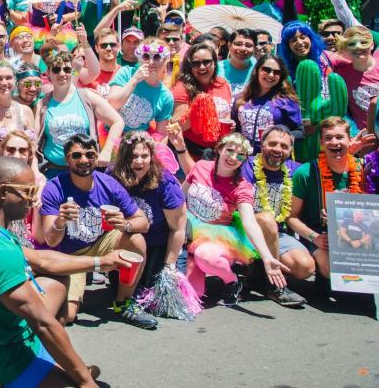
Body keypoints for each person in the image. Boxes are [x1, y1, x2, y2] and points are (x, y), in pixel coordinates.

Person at [0, 156, 107, 388]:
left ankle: (61, 368)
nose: (33, 199)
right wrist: (86, 382)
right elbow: (43, 323)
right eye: (27, 192)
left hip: (13, 332)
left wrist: (101, 261)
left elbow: (42, 259)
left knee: (58, 278)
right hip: (4, 353)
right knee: (76, 382)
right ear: (3, 192)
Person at [38, 134, 155, 328]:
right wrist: (60, 220)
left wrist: (124, 224)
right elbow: (51, 240)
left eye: (89, 154)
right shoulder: (54, 188)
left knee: (136, 240)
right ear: (67, 159)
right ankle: (75, 293)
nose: (84, 160)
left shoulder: (108, 184)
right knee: (65, 317)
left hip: (102, 243)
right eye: (76, 155)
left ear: (96, 157)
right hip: (70, 256)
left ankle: (123, 303)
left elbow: (143, 222)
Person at [183, 133, 288, 305]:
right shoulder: (200, 166)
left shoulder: (242, 187)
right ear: (219, 150)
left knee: (205, 256)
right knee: (193, 295)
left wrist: (267, 257)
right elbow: (179, 197)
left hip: (217, 239)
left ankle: (232, 281)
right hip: (188, 231)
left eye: (240, 155)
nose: (233, 157)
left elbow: (249, 222)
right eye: (229, 150)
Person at [237, 126, 313, 306]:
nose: (278, 149)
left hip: (276, 234)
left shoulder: (297, 170)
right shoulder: (244, 164)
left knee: (305, 267)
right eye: (272, 144)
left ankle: (257, 274)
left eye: (284, 146)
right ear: (262, 144)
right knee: (265, 218)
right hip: (242, 230)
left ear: (290, 150)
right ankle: (275, 286)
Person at [108, 131, 186, 291]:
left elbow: (177, 229)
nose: (139, 161)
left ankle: (181, 262)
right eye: (133, 156)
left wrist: (169, 266)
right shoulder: (112, 177)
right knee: (119, 288)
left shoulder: (165, 183)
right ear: (124, 157)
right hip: (128, 241)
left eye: (144, 156)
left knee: (153, 293)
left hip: (159, 243)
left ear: (152, 157)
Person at [289, 117, 364, 278]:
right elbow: (291, 217)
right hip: (320, 234)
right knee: (334, 269)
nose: (334, 142)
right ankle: (324, 278)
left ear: (350, 140)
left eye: (339, 137)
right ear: (321, 143)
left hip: (358, 232)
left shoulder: (363, 169)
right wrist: (314, 237)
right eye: (328, 138)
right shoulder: (305, 172)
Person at [39, 51, 124, 175]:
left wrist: (106, 151)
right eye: (56, 70)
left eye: (67, 69)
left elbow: (117, 122)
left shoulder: (87, 96)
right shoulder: (42, 104)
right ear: (48, 73)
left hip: (86, 169)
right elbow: (34, 141)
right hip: (54, 171)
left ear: (72, 71)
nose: (62, 74)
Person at [171, 42, 233, 159]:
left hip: (219, 151)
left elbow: (226, 116)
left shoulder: (223, 84)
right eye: (196, 64)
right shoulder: (182, 87)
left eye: (206, 62)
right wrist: (197, 109)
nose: (202, 67)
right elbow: (177, 127)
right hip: (192, 152)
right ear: (189, 67)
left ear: (214, 63)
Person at [233, 54, 303, 150]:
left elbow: (300, 132)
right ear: (257, 70)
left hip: (273, 157)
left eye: (277, 72)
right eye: (266, 69)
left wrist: (278, 137)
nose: (271, 75)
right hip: (243, 156)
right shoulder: (241, 98)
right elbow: (235, 128)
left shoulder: (287, 101)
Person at [107, 38, 174, 137]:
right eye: (146, 56)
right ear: (139, 58)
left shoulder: (166, 96)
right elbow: (113, 104)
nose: (151, 62)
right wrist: (134, 80)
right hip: (110, 132)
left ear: (164, 60)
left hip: (137, 141)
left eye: (156, 57)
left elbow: (161, 134)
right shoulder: (126, 73)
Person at [330, 26, 379, 130]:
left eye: (364, 42)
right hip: (362, 137)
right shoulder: (340, 74)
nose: (358, 47)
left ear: (372, 45)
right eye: (352, 44)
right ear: (345, 48)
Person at [81, 27, 121, 98]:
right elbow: (73, 76)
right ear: (96, 48)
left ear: (118, 46)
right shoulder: (87, 74)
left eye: (112, 45)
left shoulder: (126, 73)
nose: (108, 48)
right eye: (103, 45)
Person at [218, 29, 257, 96]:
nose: (243, 49)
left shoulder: (258, 69)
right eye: (238, 44)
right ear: (229, 45)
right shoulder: (217, 68)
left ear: (254, 49)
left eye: (248, 45)